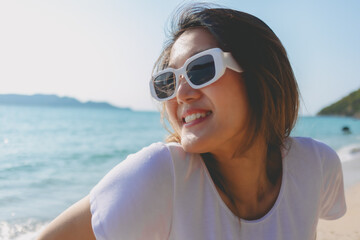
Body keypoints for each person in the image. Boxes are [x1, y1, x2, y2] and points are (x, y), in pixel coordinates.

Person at [37, 4, 346, 240]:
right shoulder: (160, 175)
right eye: (167, 82)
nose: (181, 94)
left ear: (260, 76)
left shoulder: (316, 166)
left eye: (201, 69)